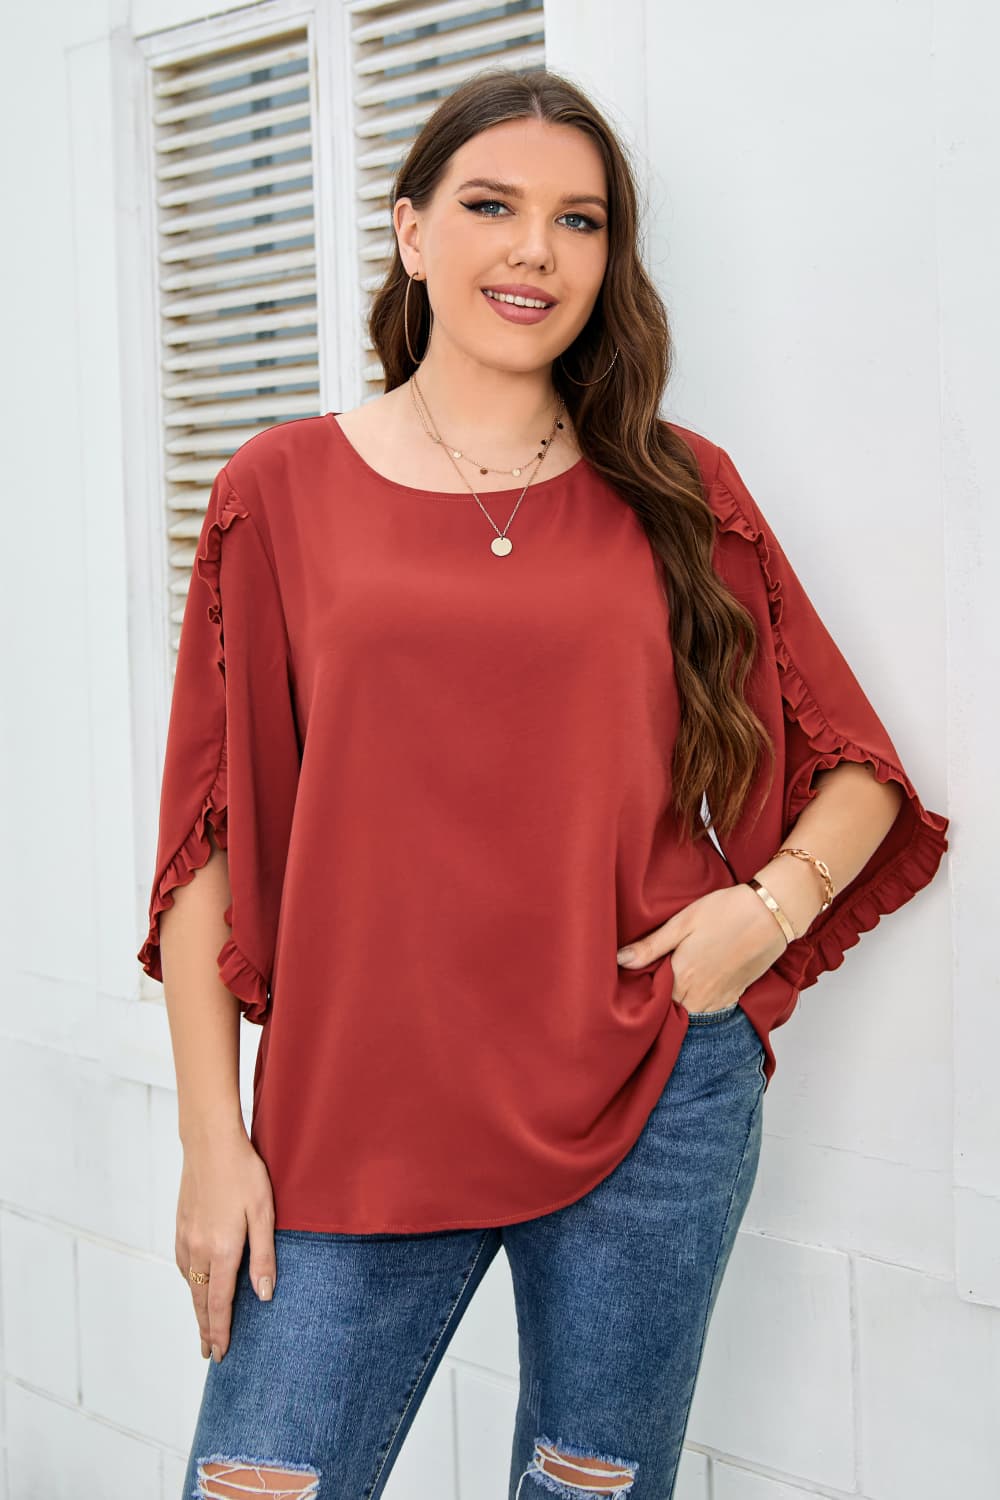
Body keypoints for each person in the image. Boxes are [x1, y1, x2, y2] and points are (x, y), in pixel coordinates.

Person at [138, 67, 949, 1500]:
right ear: (409, 231)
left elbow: (860, 772)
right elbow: (209, 833)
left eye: (579, 221)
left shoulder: (677, 487)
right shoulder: (279, 489)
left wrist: (762, 913)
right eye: (491, 206)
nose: (535, 250)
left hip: (650, 1095)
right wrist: (215, 1143)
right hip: (358, 1107)